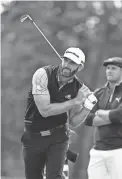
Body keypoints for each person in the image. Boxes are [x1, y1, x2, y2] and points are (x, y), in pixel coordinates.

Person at [21, 47, 97, 179]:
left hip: (58, 137)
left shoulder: (78, 88)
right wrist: (75, 101)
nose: (67, 65)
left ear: (80, 67)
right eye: (66, 60)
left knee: (54, 176)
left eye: (72, 63)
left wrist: (87, 107)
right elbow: (44, 110)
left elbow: (73, 121)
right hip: (33, 135)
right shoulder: (42, 74)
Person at [85, 57, 122, 179]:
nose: (109, 71)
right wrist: (111, 116)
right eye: (108, 68)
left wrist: (100, 112)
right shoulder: (98, 93)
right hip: (97, 151)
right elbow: (86, 118)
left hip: (118, 150)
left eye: (114, 68)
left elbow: (120, 115)